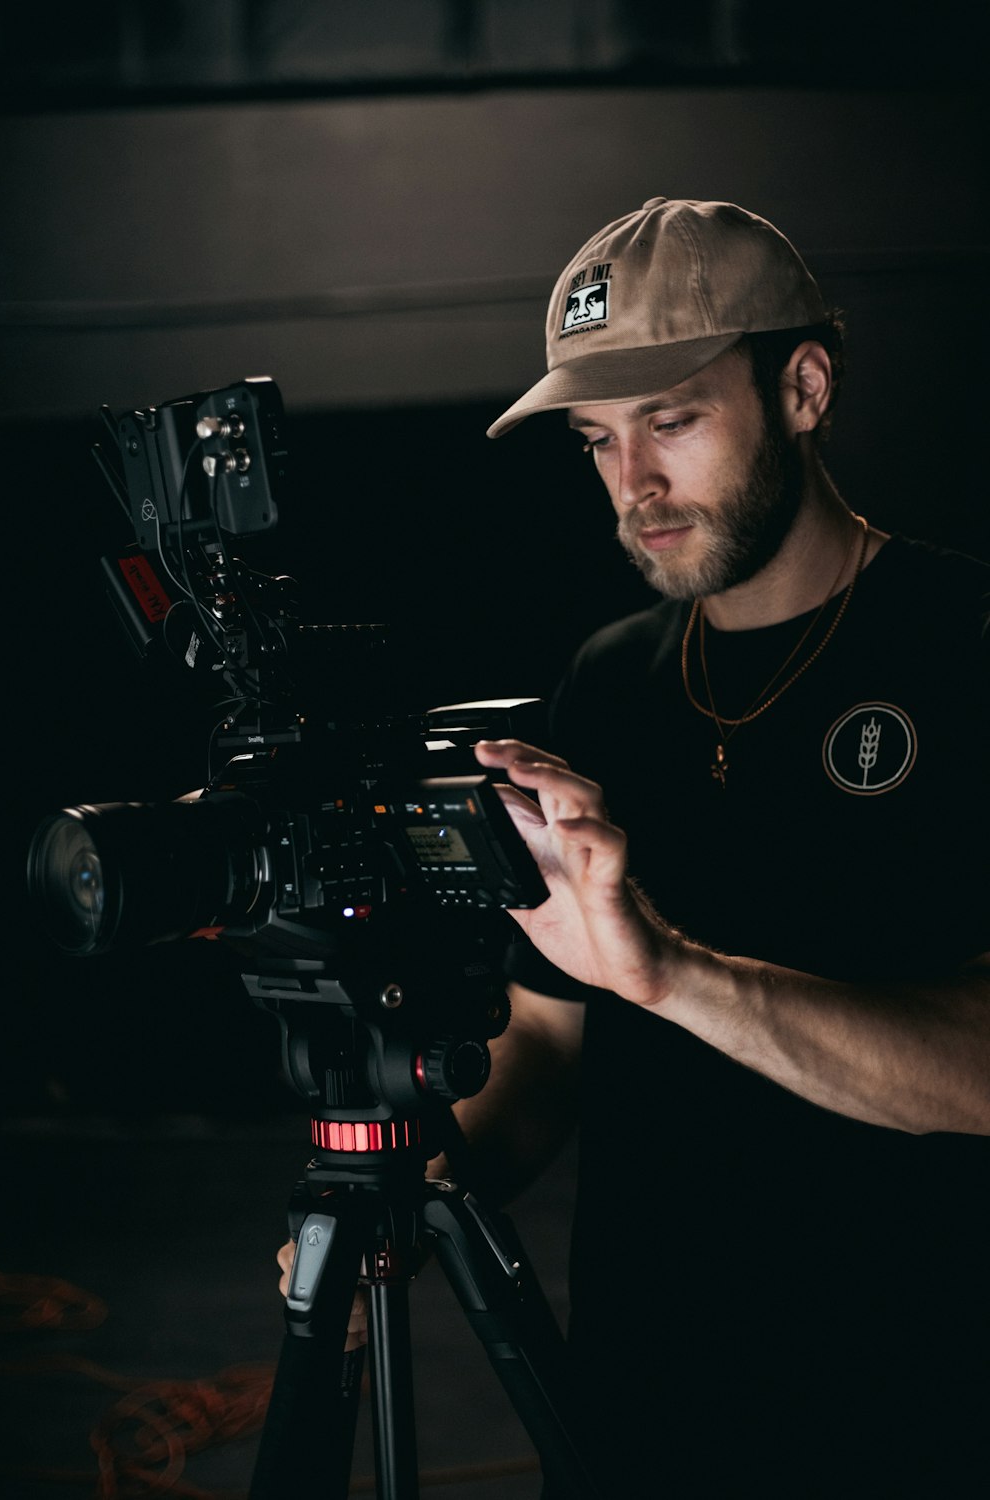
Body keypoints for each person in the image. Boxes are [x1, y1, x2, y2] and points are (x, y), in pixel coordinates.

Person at [280, 198, 990, 1496]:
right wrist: (426, 1175)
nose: (635, 485)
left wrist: (667, 970)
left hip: (915, 1397)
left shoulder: (964, 642)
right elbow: (551, 1035)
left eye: (671, 419)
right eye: (599, 440)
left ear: (806, 387)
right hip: (639, 1395)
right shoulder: (609, 683)